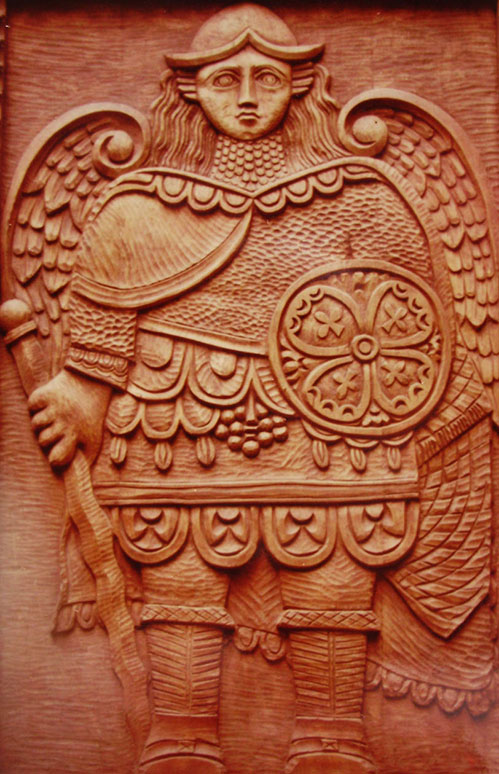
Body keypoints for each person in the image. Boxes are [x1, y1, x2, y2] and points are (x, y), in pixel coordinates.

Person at [27, 5, 493, 774]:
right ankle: (181, 737)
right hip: (175, 412)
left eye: (265, 78)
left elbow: (414, 323)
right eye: (225, 80)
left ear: (298, 86)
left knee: (332, 574)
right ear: (192, 91)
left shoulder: (360, 195)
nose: (245, 97)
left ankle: (332, 740)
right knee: (178, 571)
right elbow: (103, 326)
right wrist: (82, 394)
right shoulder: (138, 203)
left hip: (330, 417)